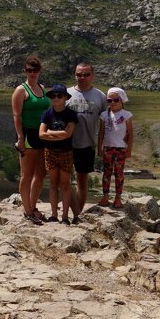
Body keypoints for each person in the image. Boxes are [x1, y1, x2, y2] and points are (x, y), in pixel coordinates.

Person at [66, 63, 107, 223]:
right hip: (66, 144)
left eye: (86, 74)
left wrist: (101, 144)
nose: (82, 77)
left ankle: (77, 214)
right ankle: (72, 213)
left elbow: (105, 123)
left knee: (82, 181)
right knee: (65, 181)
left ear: (93, 75)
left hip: (87, 144)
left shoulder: (100, 96)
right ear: (75, 75)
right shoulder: (66, 93)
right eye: (79, 74)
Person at [11, 56, 49, 225]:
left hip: (42, 133)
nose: (32, 73)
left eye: (35, 70)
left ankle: (33, 206)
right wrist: (20, 137)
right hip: (27, 134)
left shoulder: (42, 88)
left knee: (41, 173)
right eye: (29, 70)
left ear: (40, 71)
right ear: (25, 71)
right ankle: (27, 210)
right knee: (27, 174)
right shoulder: (21, 90)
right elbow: (16, 116)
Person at [38, 83, 78, 223]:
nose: (56, 98)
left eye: (59, 95)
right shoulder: (47, 114)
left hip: (66, 152)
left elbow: (68, 134)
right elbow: (41, 134)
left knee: (65, 185)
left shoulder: (71, 114)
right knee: (53, 184)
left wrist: (50, 132)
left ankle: (65, 217)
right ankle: (54, 215)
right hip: (50, 152)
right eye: (53, 96)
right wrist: (59, 134)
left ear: (65, 98)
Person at [99, 87, 134, 209]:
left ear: (122, 100)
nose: (112, 102)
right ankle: (105, 196)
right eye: (110, 100)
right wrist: (100, 147)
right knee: (106, 173)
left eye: (116, 99)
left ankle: (118, 197)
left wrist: (129, 150)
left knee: (119, 173)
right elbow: (101, 132)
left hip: (120, 149)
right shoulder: (104, 115)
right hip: (108, 148)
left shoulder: (126, 115)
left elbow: (130, 133)